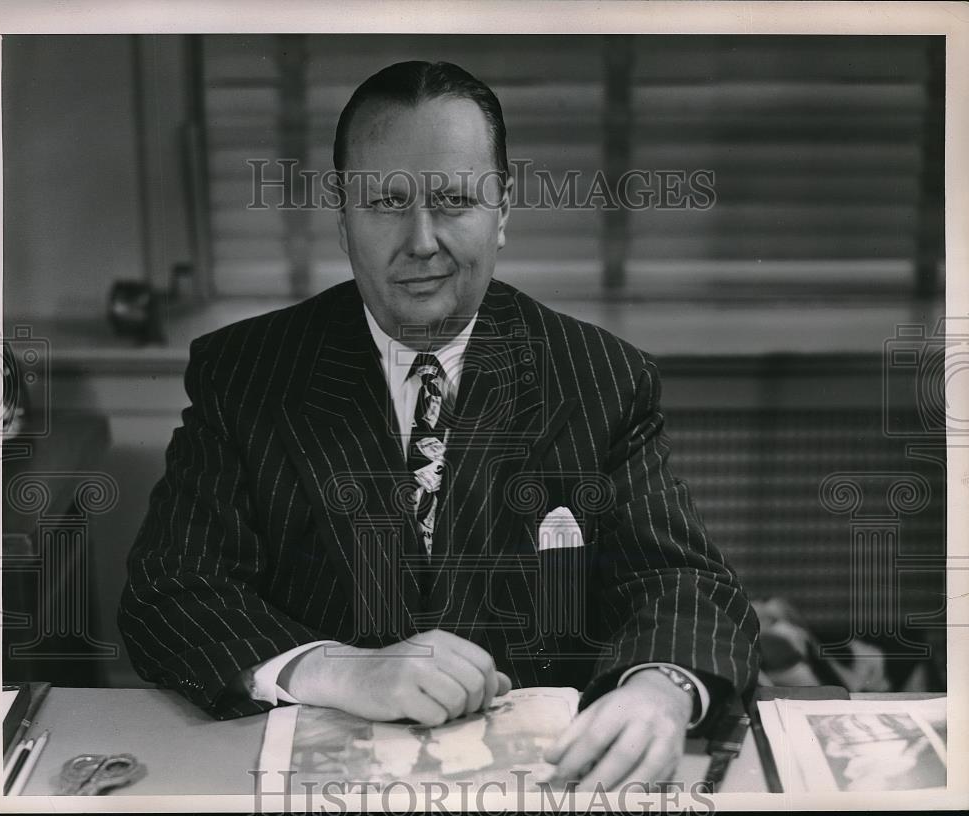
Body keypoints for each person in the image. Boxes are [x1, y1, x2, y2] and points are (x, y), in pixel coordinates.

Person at [119, 60, 759, 789]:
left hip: (542, 785)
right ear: (341, 214)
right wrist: (337, 669)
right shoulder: (246, 372)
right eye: (386, 203)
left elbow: (681, 581)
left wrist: (660, 690)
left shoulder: (603, 377)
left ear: (503, 210)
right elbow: (168, 592)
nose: (421, 241)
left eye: (453, 200)